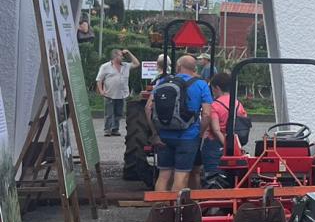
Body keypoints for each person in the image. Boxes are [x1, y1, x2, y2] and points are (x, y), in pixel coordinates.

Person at [147, 55, 215, 191]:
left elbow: (148, 108)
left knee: (164, 175)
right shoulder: (201, 85)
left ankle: (161, 209)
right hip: (188, 136)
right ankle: (175, 210)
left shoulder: (163, 82)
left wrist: (155, 134)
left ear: (178, 67)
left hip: (164, 136)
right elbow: (207, 114)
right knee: (181, 176)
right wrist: (200, 134)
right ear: (195, 68)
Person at [202, 72, 247, 181]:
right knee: (231, 177)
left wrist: (226, 145)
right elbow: (243, 125)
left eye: (212, 89)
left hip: (215, 146)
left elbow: (216, 129)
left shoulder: (215, 105)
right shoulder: (238, 104)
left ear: (217, 88)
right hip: (235, 145)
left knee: (213, 177)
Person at [95, 48, 138, 136]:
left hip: (122, 94)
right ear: (115, 56)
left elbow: (137, 63)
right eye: (121, 55)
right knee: (109, 113)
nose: (123, 57)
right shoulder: (105, 66)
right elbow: (99, 80)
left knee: (119, 113)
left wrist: (129, 52)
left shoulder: (126, 66)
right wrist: (101, 91)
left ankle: (115, 129)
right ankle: (107, 129)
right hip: (109, 94)